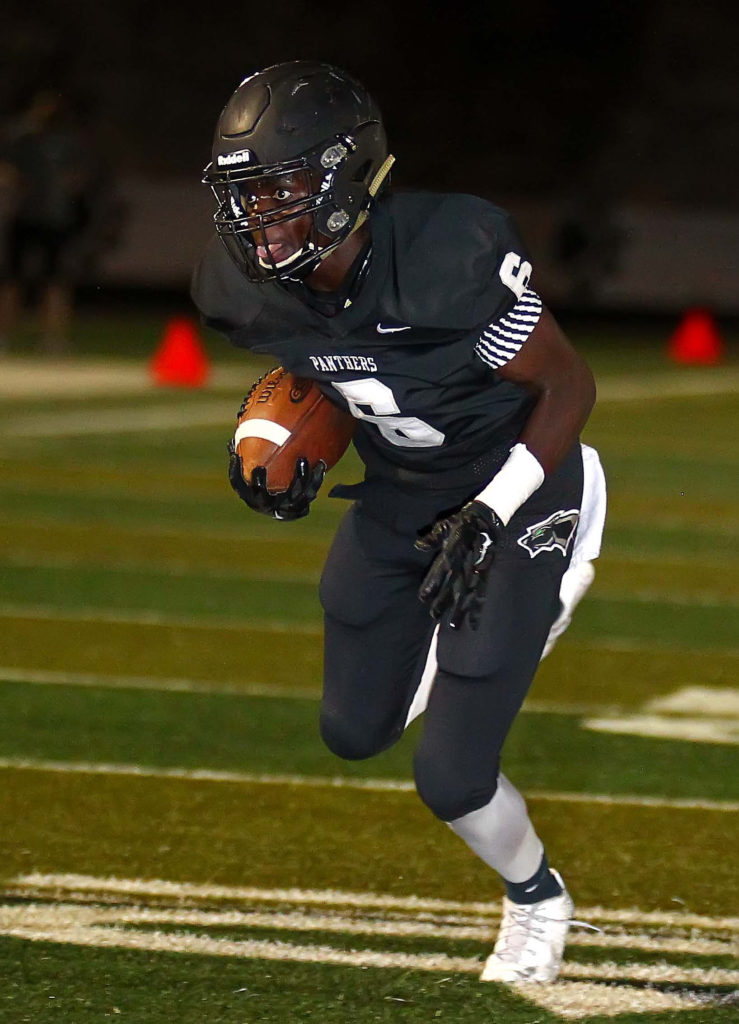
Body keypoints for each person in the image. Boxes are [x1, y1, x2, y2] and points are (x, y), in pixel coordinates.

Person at [192, 61, 606, 985]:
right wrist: (285, 438)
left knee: (450, 777)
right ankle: (476, 635)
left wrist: (490, 514)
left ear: (348, 183)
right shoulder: (239, 287)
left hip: (517, 485)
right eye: (245, 195)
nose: (260, 218)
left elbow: (567, 385)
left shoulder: (448, 259)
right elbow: (334, 376)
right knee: (352, 730)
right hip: (399, 492)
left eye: (283, 190)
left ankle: (537, 898)